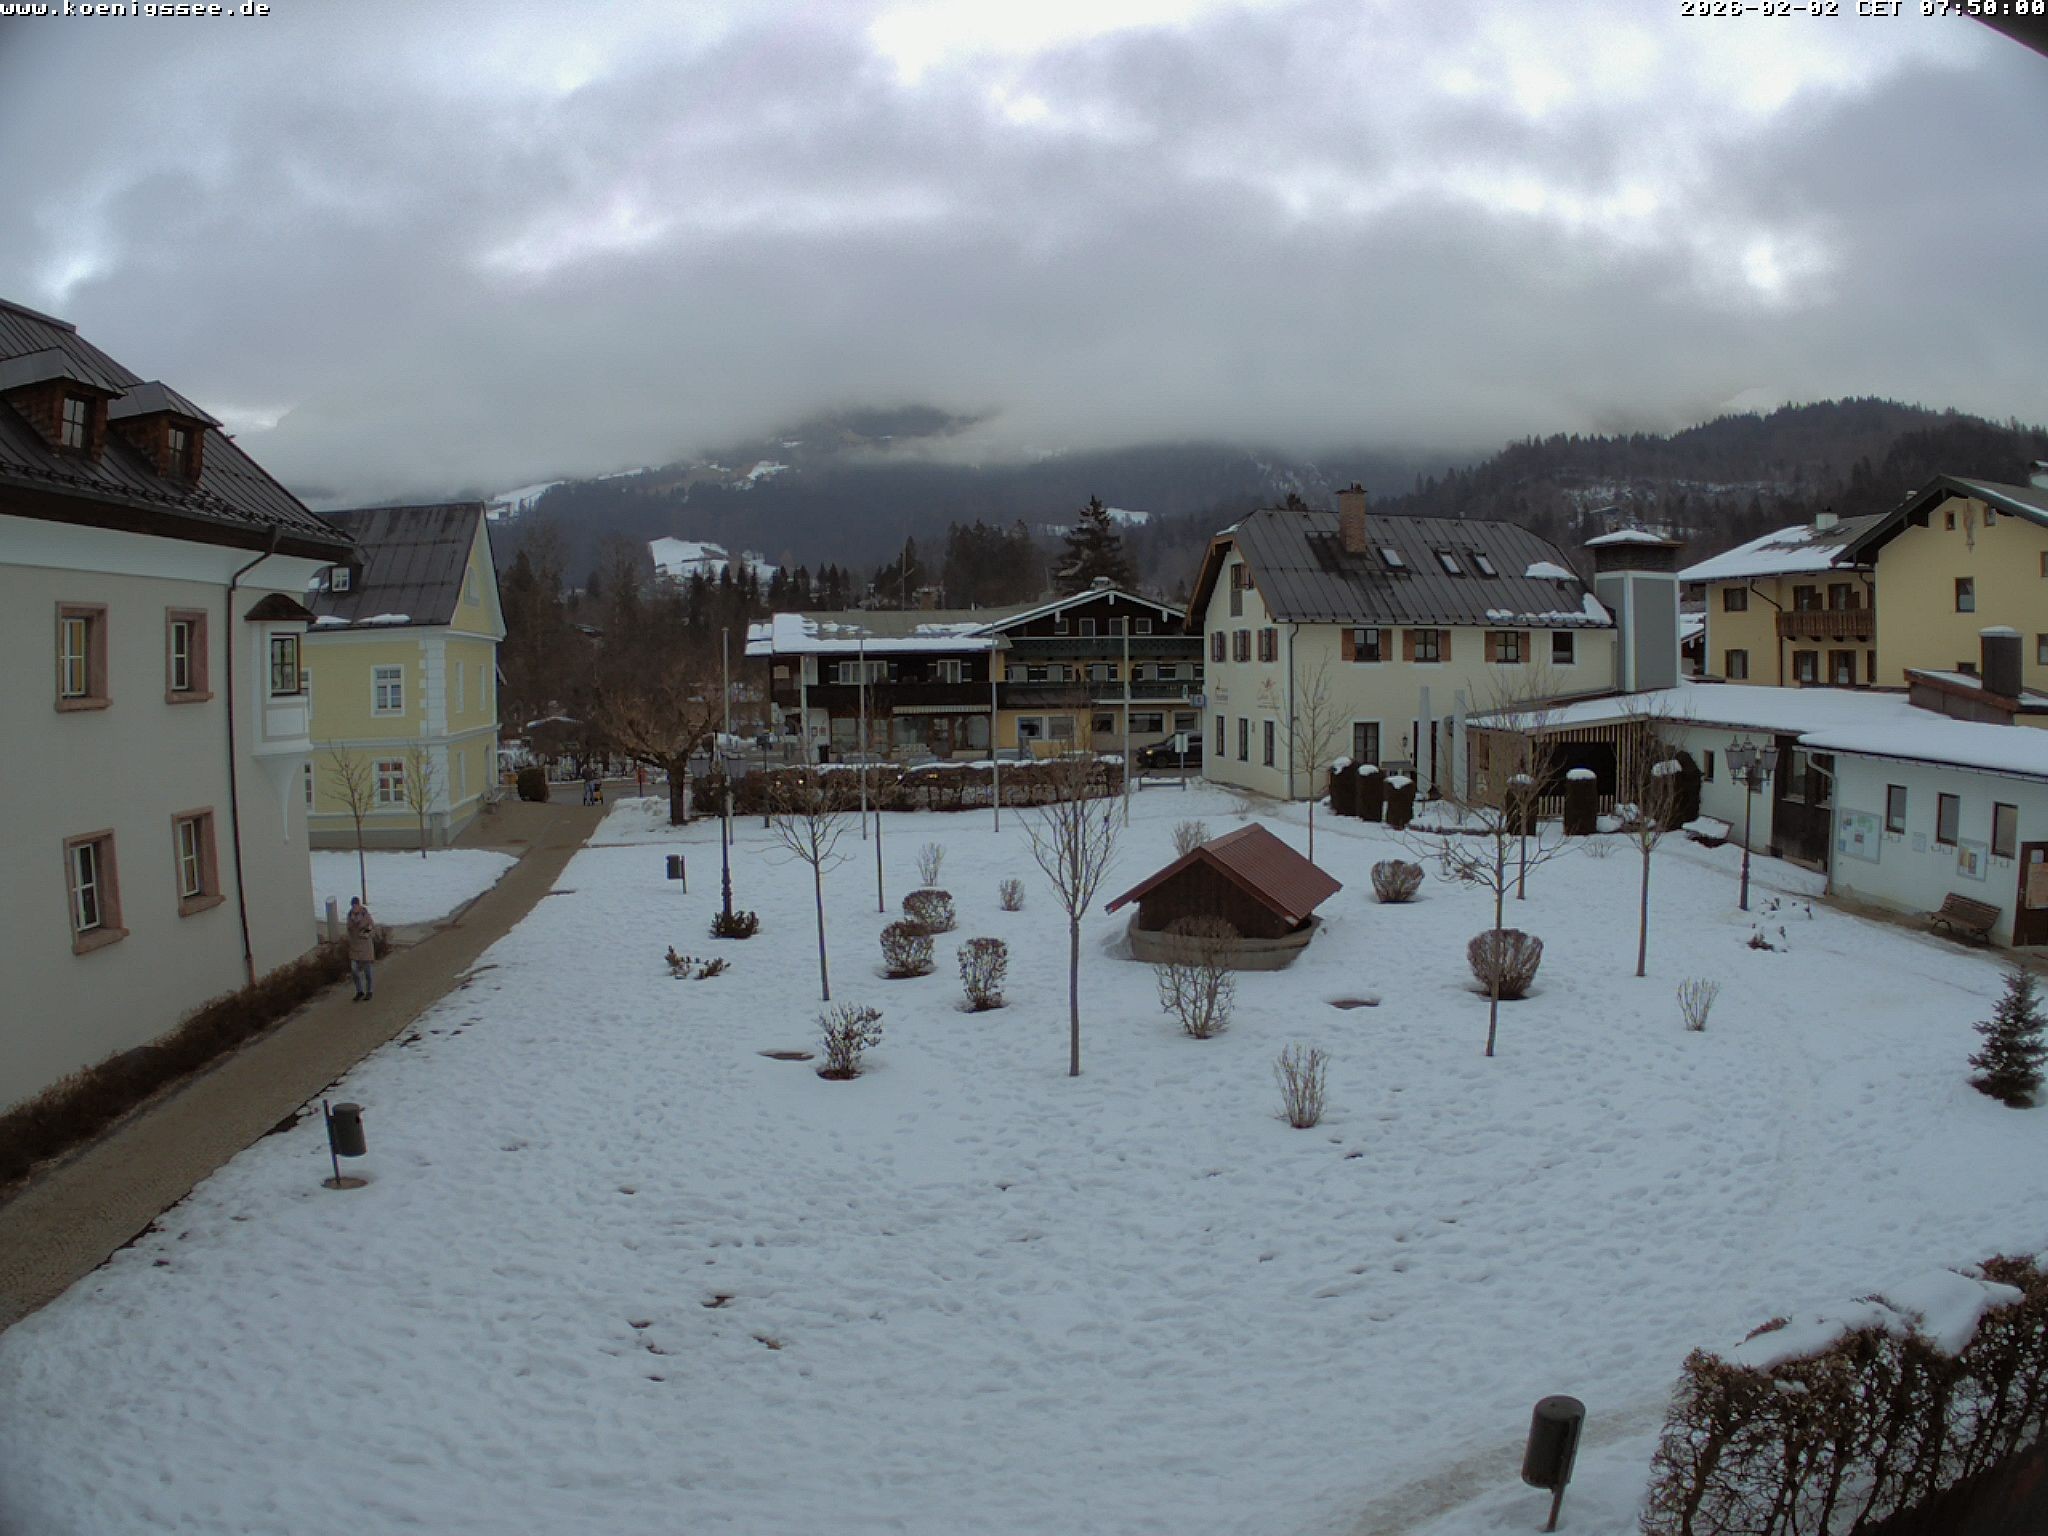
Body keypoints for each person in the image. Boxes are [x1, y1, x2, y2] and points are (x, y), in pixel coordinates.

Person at [346, 896, 378, 1001]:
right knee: (354, 970)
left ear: (359, 905)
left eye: (356, 905)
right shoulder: (349, 916)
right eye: (353, 905)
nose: (354, 907)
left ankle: (369, 991)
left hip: (365, 947)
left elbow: (372, 928)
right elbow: (349, 928)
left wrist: (365, 934)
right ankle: (359, 991)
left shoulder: (365, 915)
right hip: (354, 947)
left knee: (367, 972)